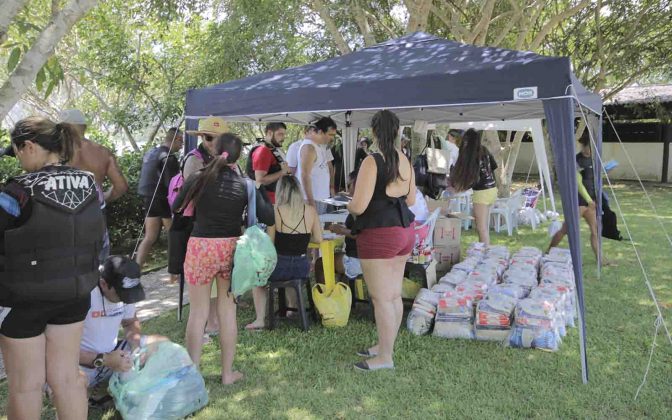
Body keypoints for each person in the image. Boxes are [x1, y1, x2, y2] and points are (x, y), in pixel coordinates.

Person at [0, 117, 105, 419]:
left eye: (17, 151)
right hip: (74, 294)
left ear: (29, 146)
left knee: (26, 386)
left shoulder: (17, 191)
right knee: (67, 378)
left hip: (22, 300)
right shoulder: (89, 183)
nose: (17, 159)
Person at [172, 133, 274, 385]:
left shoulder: (199, 178)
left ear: (214, 150)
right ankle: (228, 373)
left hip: (200, 247)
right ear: (239, 156)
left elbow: (175, 206)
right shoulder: (246, 184)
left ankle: (194, 375)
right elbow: (268, 216)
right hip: (232, 250)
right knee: (228, 313)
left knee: (198, 314)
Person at [347, 110, 416, 371]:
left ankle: (385, 357)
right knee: (393, 295)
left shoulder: (372, 161)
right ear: (397, 131)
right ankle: (385, 346)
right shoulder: (404, 160)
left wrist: (350, 203)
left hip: (379, 233)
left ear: (374, 133)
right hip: (404, 230)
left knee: (381, 298)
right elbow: (410, 200)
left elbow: (359, 206)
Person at [79, 255, 166, 405]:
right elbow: (62, 353)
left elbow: (130, 322)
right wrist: (105, 360)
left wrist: (136, 346)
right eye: (121, 295)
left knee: (160, 344)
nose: (125, 300)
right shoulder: (83, 296)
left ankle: (100, 392)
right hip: (79, 364)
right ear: (104, 284)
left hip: (111, 356)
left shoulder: (124, 293)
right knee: (74, 386)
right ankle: (88, 394)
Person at [171, 117, 226, 337]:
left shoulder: (223, 159)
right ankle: (208, 322)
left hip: (214, 225)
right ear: (202, 138)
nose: (212, 142)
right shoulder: (194, 160)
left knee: (215, 278)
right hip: (195, 226)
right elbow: (190, 196)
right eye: (208, 137)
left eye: (217, 138)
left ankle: (213, 319)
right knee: (202, 281)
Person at [246, 175, 322, 330]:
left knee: (256, 276)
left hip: (280, 266)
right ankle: (292, 306)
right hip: (302, 267)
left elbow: (270, 244)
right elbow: (319, 239)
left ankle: (260, 319)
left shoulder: (275, 211)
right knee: (291, 273)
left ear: (281, 191)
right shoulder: (310, 211)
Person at [60, 109, 128, 263]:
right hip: (94, 212)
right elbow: (121, 186)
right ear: (84, 127)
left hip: (63, 214)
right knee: (98, 263)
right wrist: (103, 198)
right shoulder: (102, 152)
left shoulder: (55, 152)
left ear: (63, 127)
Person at [547, 132, 610, 264]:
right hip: (579, 202)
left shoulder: (595, 160)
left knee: (595, 231)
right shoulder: (576, 160)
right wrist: (589, 201)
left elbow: (595, 179)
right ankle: (548, 251)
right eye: (589, 147)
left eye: (593, 148)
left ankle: (600, 259)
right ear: (583, 146)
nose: (591, 150)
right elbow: (578, 184)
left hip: (592, 203)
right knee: (565, 230)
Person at [135, 128, 183, 274]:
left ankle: (134, 272)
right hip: (162, 199)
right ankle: (175, 271)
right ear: (175, 139)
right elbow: (174, 187)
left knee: (149, 237)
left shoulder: (151, 153)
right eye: (181, 142)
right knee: (173, 234)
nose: (181, 146)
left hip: (148, 197)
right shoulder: (169, 157)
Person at [450, 129, 497, 245]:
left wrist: (458, 188)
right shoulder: (484, 150)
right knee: (483, 227)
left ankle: (485, 255)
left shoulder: (472, 155)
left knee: (481, 228)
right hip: (492, 189)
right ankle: (483, 252)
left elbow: (472, 178)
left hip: (482, 193)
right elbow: (494, 167)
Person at [316, 171, 363, 285]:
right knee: (339, 256)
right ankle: (344, 296)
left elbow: (361, 234)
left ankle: (325, 299)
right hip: (365, 258)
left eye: (349, 185)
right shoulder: (366, 203)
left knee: (320, 264)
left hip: (358, 260)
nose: (347, 189)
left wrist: (341, 230)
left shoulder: (359, 207)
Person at [296, 117, 338, 213]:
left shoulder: (319, 145)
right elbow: (305, 175)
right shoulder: (309, 148)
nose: (332, 138)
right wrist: (311, 201)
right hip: (313, 199)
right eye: (330, 134)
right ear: (320, 132)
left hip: (321, 197)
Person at [247, 122, 291, 203]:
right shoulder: (263, 150)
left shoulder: (271, 149)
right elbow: (260, 180)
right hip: (267, 202)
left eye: (284, 134)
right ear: (270, 133)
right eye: (280, 134)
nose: (283, 138)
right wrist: (282, 172)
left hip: (275, 199)